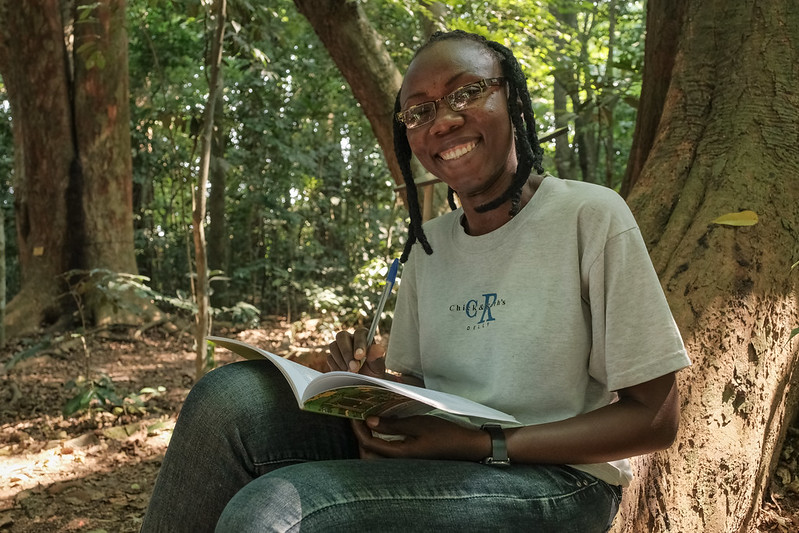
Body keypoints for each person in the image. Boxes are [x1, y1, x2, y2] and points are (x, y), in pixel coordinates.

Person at [141, 30, 690, 532]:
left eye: (465, 93)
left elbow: (656, 417)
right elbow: (432, 394)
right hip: (452, 458)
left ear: (514, 101)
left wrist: (484, 446)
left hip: (558, 484)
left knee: (274, 512)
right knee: (226, 399)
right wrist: (370, 387)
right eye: (419, 111)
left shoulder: (590, 217)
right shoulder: (429, 246)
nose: (443, 121)